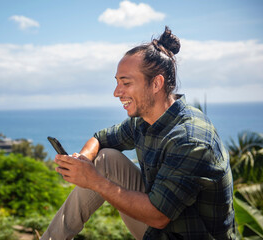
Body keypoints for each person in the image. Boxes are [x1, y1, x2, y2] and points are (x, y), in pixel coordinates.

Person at [41, 26, 236, 240]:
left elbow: (158, 216)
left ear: (156, 83)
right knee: (106, 158)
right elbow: (100, 138)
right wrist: (84, 161)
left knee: (102, 172)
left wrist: (94, 180)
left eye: (126, 83)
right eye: (117, 82)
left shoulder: (190, 139)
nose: (116, 92)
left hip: (180, 232)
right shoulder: (143, 121)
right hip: (158, 230)